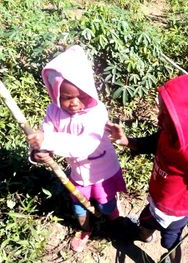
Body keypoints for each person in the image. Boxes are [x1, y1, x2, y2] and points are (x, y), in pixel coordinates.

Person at [107, 74, 188, 263]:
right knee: (146, 220)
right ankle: (145, 236)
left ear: (187, 119)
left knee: (171, 241)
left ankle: (173, 259)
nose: (159, 116)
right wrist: (126, 141)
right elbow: (148, 143)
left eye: (166, 114)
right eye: (161, 110)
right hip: (157, 200)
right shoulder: (166, 134)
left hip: (176, 213)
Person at [27, 45, 126, 253]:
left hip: (102, 173)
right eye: (66, 97)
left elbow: (84, 145)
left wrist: (49, 141)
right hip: (78, 175)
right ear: (55, 93)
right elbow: (47, 136)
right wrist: (39, 152)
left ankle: (114, 221)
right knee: (79, 207)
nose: (74, 103)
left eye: (80, 96)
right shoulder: (53, 111)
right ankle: (85, 229)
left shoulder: (96, 112)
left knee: (106, 204)